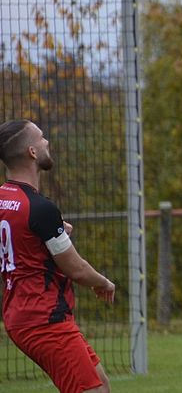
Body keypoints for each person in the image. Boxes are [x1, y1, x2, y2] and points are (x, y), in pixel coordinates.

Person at [0, 119, 116, 393]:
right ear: (31, 152)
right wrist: (103, 282)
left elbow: (20, 236)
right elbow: (76, 269)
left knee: (101, 384)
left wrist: (53, 231)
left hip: (21, 313)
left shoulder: (6, 198)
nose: (46, 142)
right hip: (43, 319)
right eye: (41, 138)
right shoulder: (40, 208)